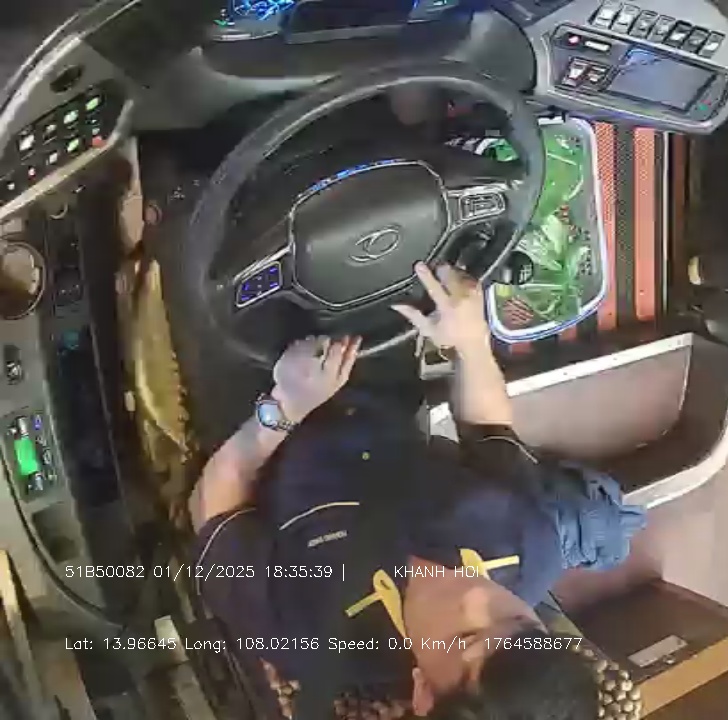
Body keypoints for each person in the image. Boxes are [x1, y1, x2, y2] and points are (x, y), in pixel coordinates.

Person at [187, 262, 638, 719]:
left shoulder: (309, 637)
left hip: (250, 387)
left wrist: (283, 408)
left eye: (464, 638)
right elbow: (489, 432)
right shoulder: (531, 545)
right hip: (378, 361)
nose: (475, 596)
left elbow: (212, 507)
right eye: (517, 619)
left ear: (424, 694)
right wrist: (471, 343)